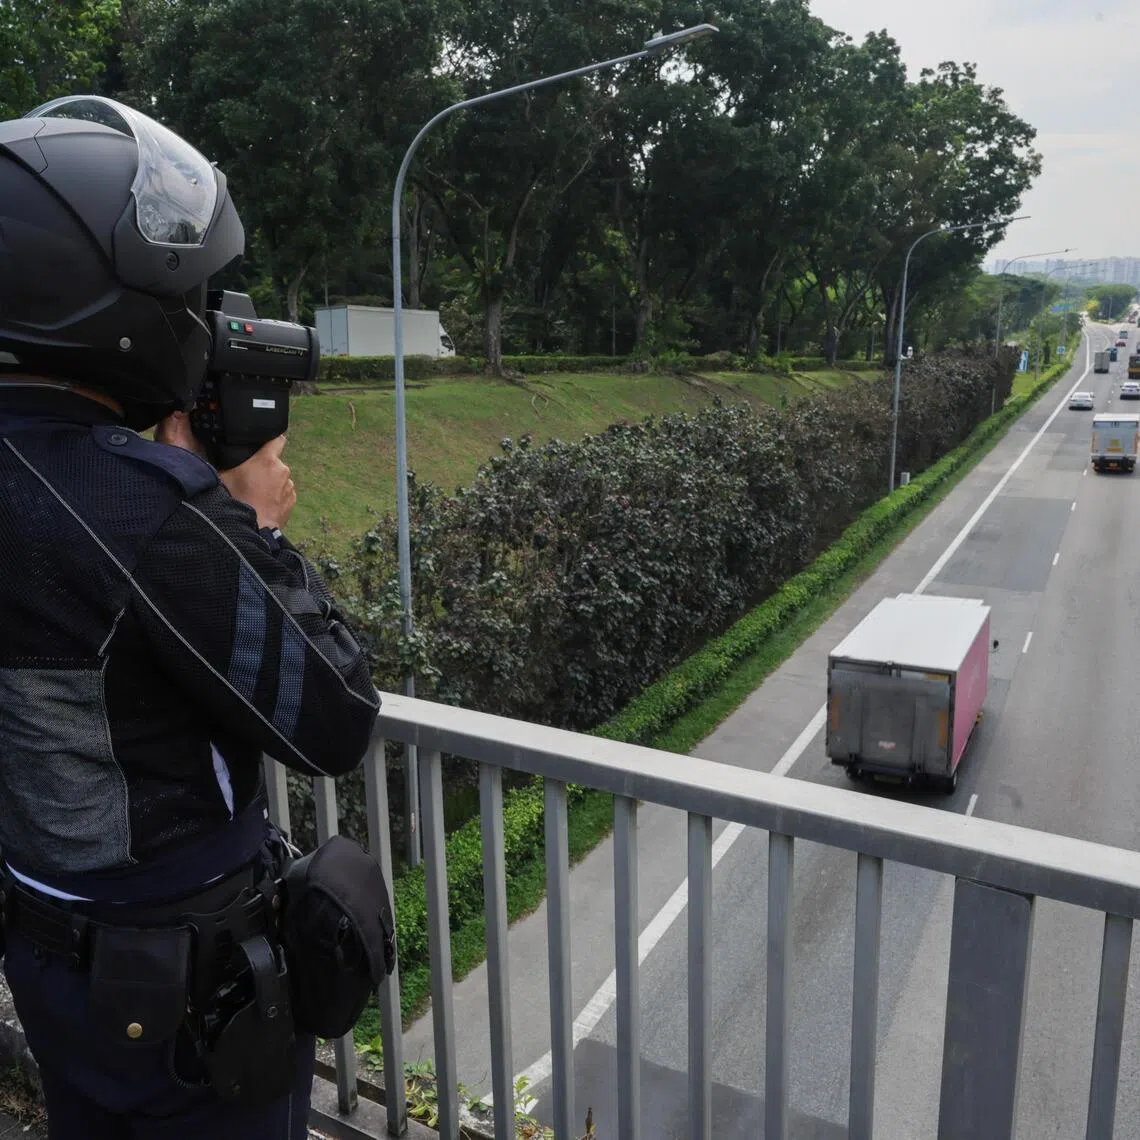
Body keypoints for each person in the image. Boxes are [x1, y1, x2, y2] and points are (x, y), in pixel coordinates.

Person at [0, 95, 380, 1138]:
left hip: (49, 951)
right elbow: (335, 714)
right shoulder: (142, 512)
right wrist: (251, 521)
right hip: (182, 999)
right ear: (111, 302)